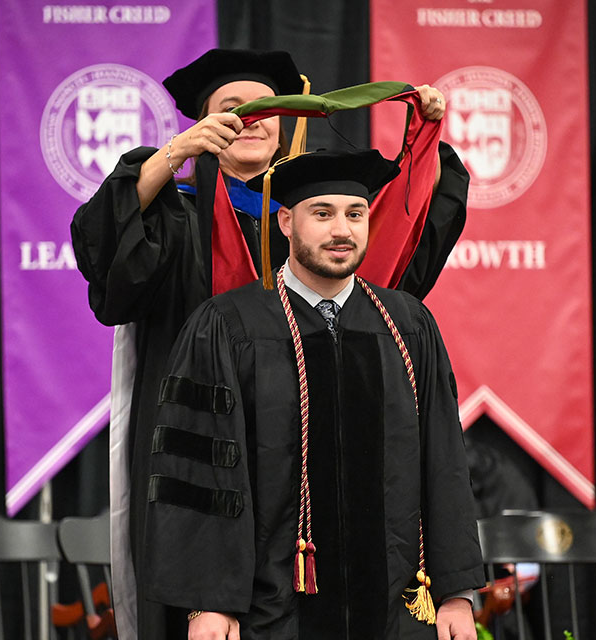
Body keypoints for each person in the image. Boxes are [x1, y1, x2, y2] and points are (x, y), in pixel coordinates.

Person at [70, 49, 470, 638]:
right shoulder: (176, 219)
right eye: (231, 109)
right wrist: (176, 151)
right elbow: (107, 258)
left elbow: (400, 253)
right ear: (205, 124)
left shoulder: (318, 213)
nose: (250, 120)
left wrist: (429, 131)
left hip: (318, 462)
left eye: (265, 109)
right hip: (207, 453)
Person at [143, 148, 484, 639]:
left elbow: (445, 460)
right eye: (321, 214)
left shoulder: (408, 326)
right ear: (285, 222)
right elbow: (203, 475)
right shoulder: (229, 326)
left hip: (397, 609)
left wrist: (456, 591)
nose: (341, 231)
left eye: (355, 214)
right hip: (271, 611)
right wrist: (209, 604)